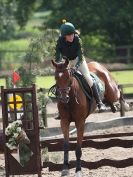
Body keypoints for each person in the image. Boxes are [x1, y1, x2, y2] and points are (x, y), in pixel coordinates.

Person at [54, 20, 106, 119]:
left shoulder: (77, 39)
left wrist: (76, 67)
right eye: (69, 35)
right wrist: (59, 64)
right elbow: (58, 54)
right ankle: (59, 110)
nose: (71, 36)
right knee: (61, 82)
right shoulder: (60, 41)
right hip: (66, 62)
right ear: (64, 36)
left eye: (72, 34)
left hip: (79, 61)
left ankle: (99, 103)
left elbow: (80, 56)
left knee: (87, 77)